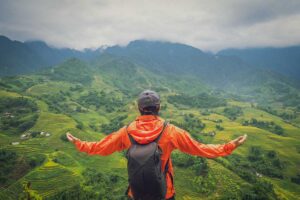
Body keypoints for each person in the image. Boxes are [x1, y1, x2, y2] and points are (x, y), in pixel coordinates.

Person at [66, 90, 247, 200]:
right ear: (158, 107)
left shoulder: (126, 132)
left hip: (136, 193)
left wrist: (78, 143)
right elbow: (200, 149)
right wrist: (229, 146)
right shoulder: (171, 132)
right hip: (164, 193)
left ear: (139, 108)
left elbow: (100, 147)